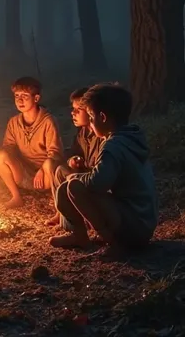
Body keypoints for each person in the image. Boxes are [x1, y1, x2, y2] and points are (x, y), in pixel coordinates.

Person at [50, 83, 158, 250]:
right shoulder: (132, 136)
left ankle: (113, 242)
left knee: (74, 186)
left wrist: (75, 177)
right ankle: (80, 236)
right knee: (66, 187)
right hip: (144, 222)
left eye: (91, 117)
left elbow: (98, 183)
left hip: (133, 225)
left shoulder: (113, 146)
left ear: (103, 117)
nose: (91, 123)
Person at [0, 77, 63, 208]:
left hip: (46, 177)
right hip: (24, 175)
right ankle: (16, 197)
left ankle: (57, 201)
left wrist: (42, 169)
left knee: (49, 163)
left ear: (36, 98)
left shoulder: (48, 121)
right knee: (0, 155)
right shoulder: (14, 122)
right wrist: (10, 155)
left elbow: (55, 153)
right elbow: (8, 147)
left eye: (25, 96)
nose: (20, 100)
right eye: (17, 96)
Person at [47, 86, 103, 228]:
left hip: (97, 184)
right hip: (85, 176)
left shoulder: (102, 136)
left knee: (66, 175)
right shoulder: (82, 134)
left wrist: (82, 170)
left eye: (78, 110)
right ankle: (61, 214)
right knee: (59, 169)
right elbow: (73, 152)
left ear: (91, 112)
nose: (73, 113)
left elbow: (101, 172)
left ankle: (78, 223)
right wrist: (73, 160)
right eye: (73, 109)